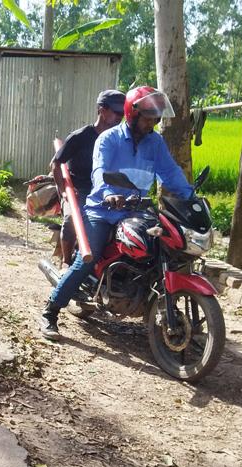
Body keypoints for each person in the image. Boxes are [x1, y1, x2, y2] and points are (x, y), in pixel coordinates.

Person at [39, 86, 194, 341]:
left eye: (155, 119)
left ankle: (154, 304)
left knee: (160, 249)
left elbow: (170, 172)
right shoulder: (108, 139)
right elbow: (99, 171)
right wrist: (108, 193)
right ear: (132, 115)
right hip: (102, 209)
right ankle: (51, 312)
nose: (152, 124)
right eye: (147, 118)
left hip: (136, 210)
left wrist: (190, 196)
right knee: (87, 259)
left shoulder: (154, 142)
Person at [47, 89, 125, 266]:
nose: (120, 117)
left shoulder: (119, 140)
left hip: (108, 191)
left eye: (123, 113)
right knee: (72, 222)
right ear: (101, 110)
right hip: (80, 190)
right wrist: (64, 191)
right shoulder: (80, 137)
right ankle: (66, 264)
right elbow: (56, 164)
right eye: (116, 112)